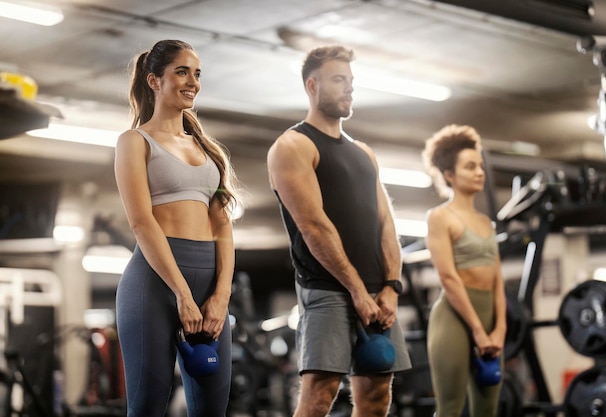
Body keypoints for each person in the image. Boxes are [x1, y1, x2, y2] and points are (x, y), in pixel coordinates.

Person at [267, 45, 412, 417]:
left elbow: (385, 222)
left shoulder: (364, 153)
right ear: (312, 86)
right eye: (338, 80)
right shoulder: (293, 146)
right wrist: (356, 291)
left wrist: (391, 287)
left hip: (377, 292)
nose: (348, 88)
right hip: (327, 288)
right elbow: (314, 226)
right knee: (319, 394)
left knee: (378, 394)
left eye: (350, 81)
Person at [114, 39, 238, 417]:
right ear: (154, 80)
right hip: (155, 281)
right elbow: (141, 222)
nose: (193, 81)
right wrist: (182, 294)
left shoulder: (208, 149)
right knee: (149, 404)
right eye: (182, 71)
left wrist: (221, 295)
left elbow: (223, 227)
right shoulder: (135, 142)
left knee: (212, 407)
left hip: (209, 280)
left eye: (197, 73)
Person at [421, 124, 507, 417]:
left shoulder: (486, 223)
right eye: (470, 166)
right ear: (449, 175)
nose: (479, 172)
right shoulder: (440, 217)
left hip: (490, 320)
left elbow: (497, 280)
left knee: (487, 410)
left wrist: (500, 328)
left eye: (480, 165)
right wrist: (478, 331)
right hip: (455, 319)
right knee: (450, 409)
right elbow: (448, 277)